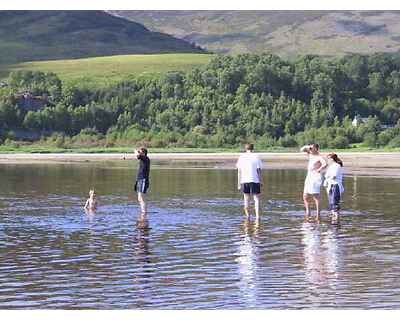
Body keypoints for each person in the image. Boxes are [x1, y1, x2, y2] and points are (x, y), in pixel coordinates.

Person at [300, 143, 327, 222]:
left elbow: (325, 164)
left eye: (312, 148)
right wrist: (308, 147)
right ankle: (308, 211)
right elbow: (302, 149)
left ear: (316, 148)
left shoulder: (319, 157)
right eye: (310, 148)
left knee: (316, 196)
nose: (310, 149)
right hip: (309, 176)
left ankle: (318, 214)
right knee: (305, 196)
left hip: (315, 177)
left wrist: (319, 169)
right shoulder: (310, 155)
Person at [236, 143, 263, 220]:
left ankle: (248, 217)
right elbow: (258, 170)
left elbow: (239, 171)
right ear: (253, 149)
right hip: (255, 180)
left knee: (246, 199)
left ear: (245, 149)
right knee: (256, 199)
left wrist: (238, 184)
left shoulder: (241, 157)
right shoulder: (256, 156)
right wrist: (261, 181)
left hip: (244, 181)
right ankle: (257, 217)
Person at [324, 153, 344, 224]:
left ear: (332, 159)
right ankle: (334, 219)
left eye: (328, 159)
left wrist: (328, 177)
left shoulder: (337, 166)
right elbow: (327, 176)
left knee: (335, 202)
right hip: (330, 185)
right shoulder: (330, 166)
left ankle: (336, 219)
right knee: (331, 203)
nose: (327, 160)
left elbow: (334, 176)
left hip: (336, 185)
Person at [134, 147, 150, 215]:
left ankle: (144, 213)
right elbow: (138, 156)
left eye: (140, 152)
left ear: (143, 153)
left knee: (141, 197)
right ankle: (143, 211)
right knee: (139, 198)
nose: (139, 153)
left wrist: (135, 151)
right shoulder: (143, 158)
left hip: (143, 179)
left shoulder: (145, 158)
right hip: (140, 179)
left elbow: (137, 155)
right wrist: (138, 151)